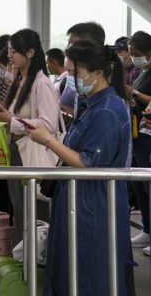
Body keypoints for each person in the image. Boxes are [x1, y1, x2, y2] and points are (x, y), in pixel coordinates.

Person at [27, 41, 130, 296]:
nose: (73, 79)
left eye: (77, 73)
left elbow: (88, 163)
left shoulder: (107, 111)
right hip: (78, 200)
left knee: (89, 274)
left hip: (92, 205)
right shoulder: (92, 104)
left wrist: (48, 140)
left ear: (97, 73)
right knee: (70, 269)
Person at [0, 29, 62, 239]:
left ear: (29, 53)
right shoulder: (21, 80)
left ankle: (35, 263)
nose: (9, 56)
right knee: (20, 210)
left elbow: (47, 125)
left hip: (31, 153)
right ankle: (24, 259)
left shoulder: (41, 84)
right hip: (18, 150)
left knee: (32, 212)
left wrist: (12, 120)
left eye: (13, 51)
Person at [127, 30, 151, 256]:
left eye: (137, 53)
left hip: (149, 135)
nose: (134, 57)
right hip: (139, 134)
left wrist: (132, 91)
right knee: (141, 185)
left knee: (149, 184)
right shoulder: (143, 71)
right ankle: (147, 227)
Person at [60, 22, 106, 117]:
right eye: (69, 43)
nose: (69, 48)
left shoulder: (107, 108)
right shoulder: (79, 83)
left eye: (74, 44)